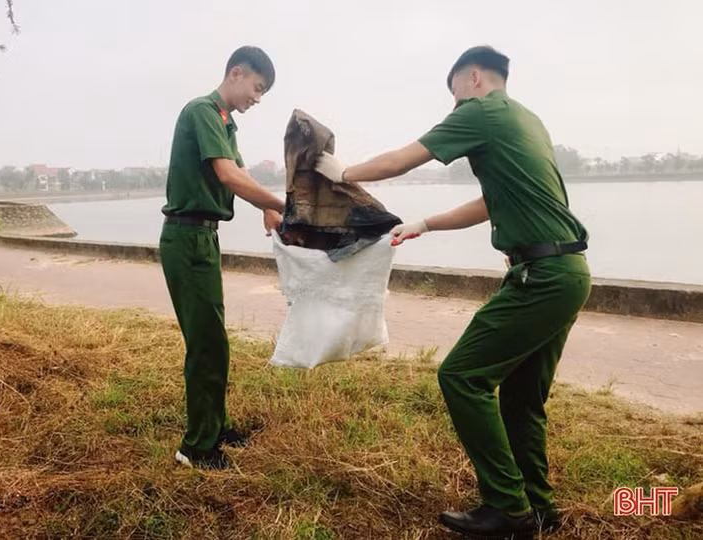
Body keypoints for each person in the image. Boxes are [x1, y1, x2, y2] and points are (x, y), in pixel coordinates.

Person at [314, 45, 591, 537]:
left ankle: (509, 508)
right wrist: (425, 223)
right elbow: (491, 201)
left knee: (462, 376)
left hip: (540, 278)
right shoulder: (527, 121)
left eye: (455, 94)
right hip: (568, 271)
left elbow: (404, 158)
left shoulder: (483, 111)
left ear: (474, 77)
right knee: (523, 400)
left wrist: (343, 173)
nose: (454, 106)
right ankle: (538, 506)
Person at [160, 46, 285, 470]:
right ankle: (196, 448)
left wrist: (267, 207)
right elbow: (227, 175)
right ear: (236, 73)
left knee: (215, 341)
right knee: (206, 344)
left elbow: (240, 173)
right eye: (257, 87)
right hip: (187, 236)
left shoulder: (225, 123)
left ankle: (215, 425)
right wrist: (286, 204)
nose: (258, 97)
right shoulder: (202, 111)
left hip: (203, 239)